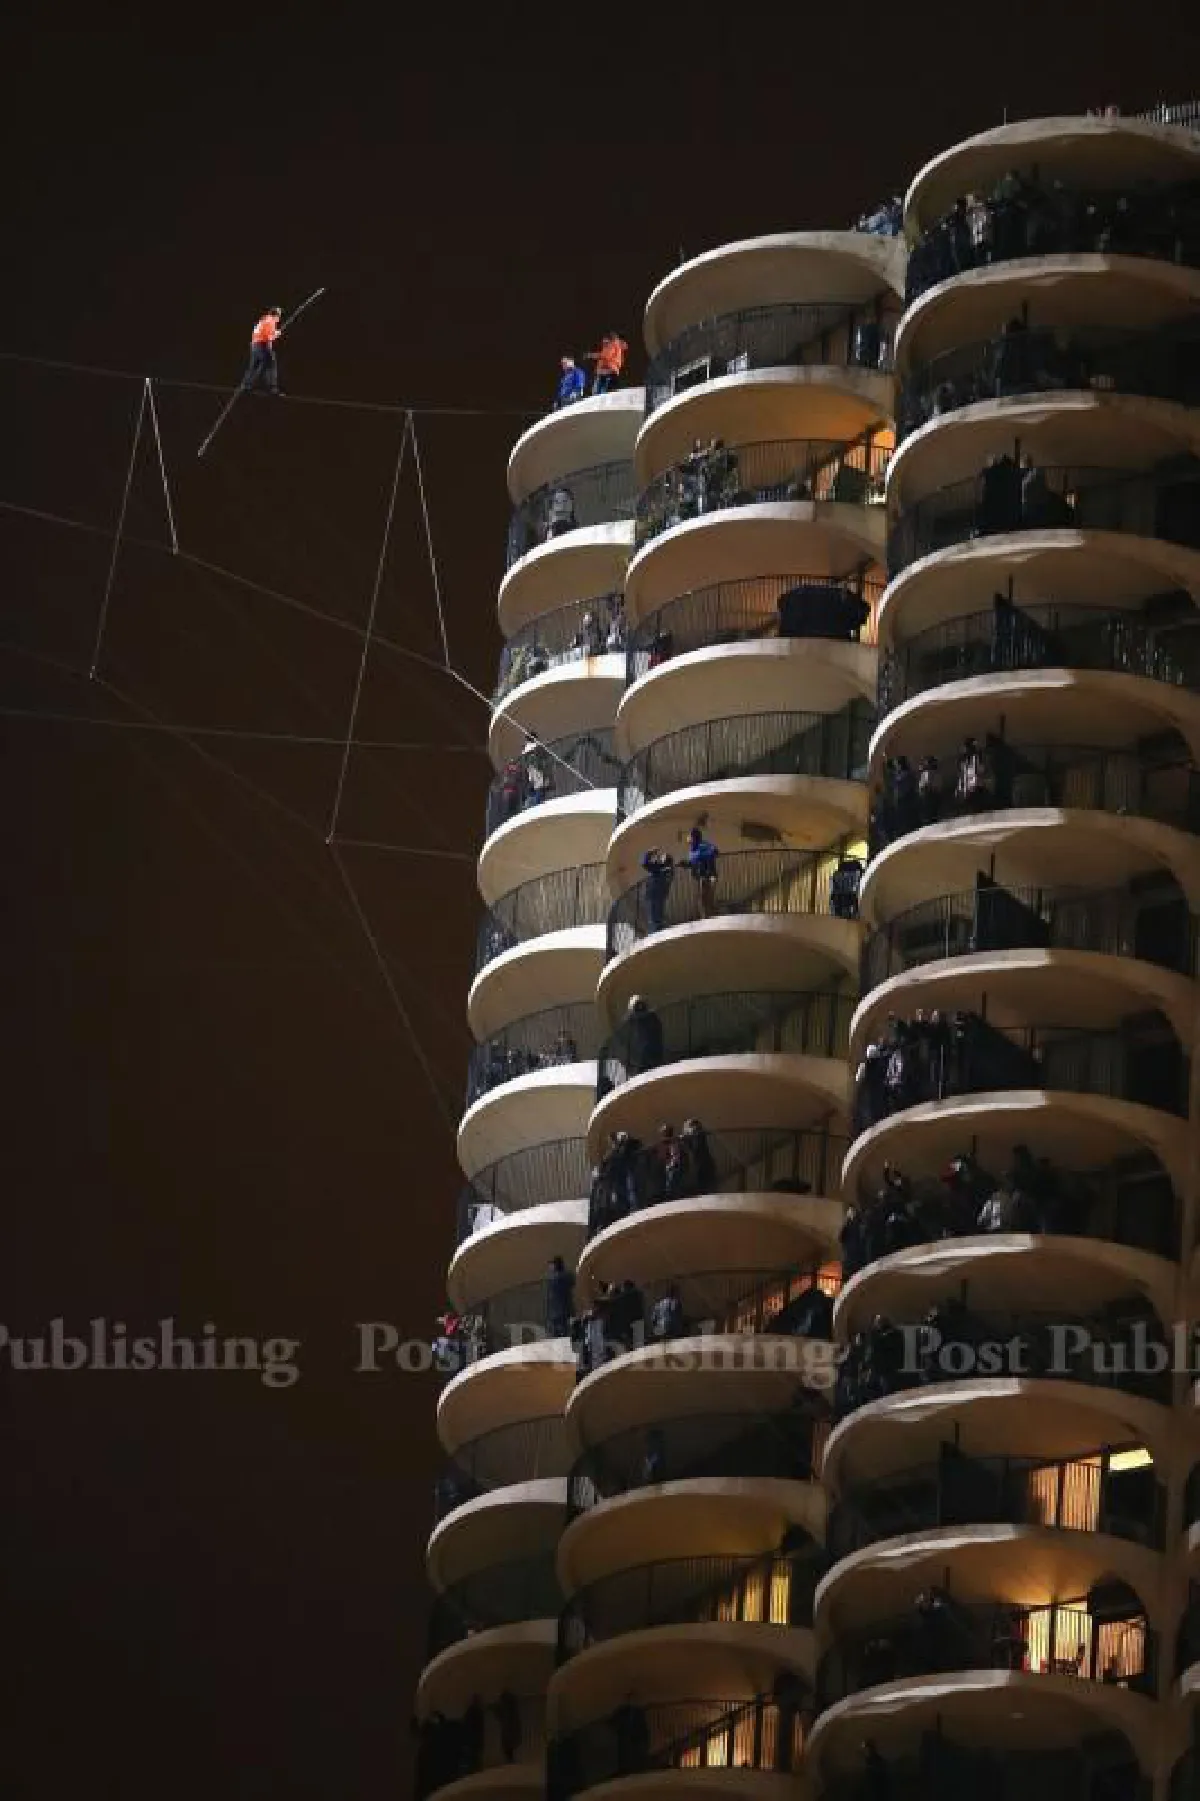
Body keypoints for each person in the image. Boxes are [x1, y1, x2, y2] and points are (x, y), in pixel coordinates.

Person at [241, 306, 284, 395]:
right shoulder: (271, 321)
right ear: (276, 315)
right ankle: (272, 389)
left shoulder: (263, 320)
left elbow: (261, 333)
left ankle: (246, 386)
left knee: (254, 366)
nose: (279, 319)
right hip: (262, 345)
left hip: (254, 345)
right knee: (270, 365)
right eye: (279, 316)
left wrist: (274, 333)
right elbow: (269, 338)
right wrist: (277, 334)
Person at [685, 826, 718, 917]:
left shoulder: (703, 845)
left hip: (707, 876)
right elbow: (693, 863)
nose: (687, 838)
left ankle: (709, 919)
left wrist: (703, 857)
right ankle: (705, 919)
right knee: (700, 899)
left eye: (689, 836)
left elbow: (715, 851)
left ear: (694, 837)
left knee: (706, 899)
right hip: (698, 877)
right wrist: (686, 864)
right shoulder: (692, 849)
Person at [641, 847, 675, 932]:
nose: (659, 858)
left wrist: (650, 852)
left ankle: (656, 932)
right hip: (658, 895)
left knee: (654, 917)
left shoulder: (662, 869)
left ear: (665, 861)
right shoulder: (666, 869)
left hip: (655, 894)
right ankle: (658, 930)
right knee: (656, 915)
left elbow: (645, 864)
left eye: (662, 857)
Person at [545, 1256, 574, 1337]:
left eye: (553, 1264)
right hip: (563, 1311)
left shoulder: (554, 1278)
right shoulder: (566, 1276)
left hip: (558, 1312)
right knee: (565, 1334)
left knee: (558, 1335)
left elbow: (551, 1297)